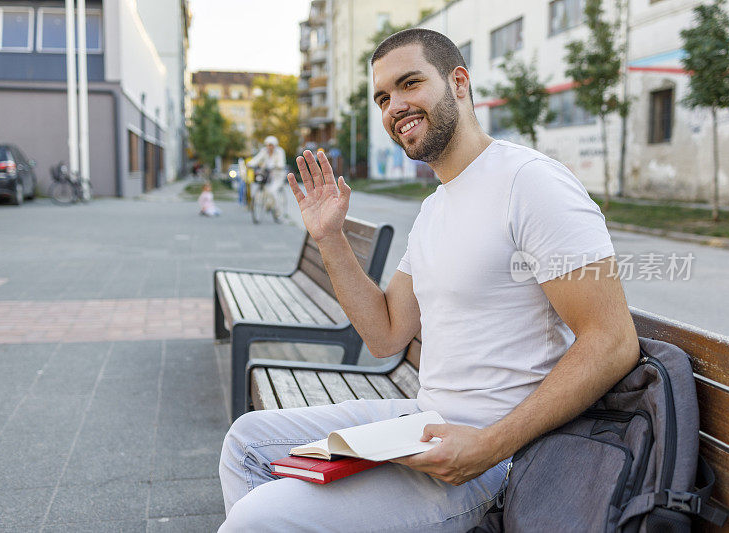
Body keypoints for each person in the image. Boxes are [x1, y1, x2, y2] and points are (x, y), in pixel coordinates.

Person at [218, 29, 639, 531]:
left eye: (410, 83)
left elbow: (612, 341)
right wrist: (330, 238)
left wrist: (490, 446)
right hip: (426, 421)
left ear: (458, 82)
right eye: (383, 97)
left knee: (259, 518)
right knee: (245, 442)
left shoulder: (530, 183)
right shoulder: (435, 207)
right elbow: (385, 335)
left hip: (501, 457)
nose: (395, 106)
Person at [247, 135, 287, 203]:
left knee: (273, 191)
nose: (269, 147)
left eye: (271, 145)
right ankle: (266, 204)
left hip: (277, 175)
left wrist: (277, 166)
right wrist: (249, 164)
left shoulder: (280, 151)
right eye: (268, 145)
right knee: (262, 187)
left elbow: (281, 163)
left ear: (275, 145)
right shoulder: (264, 151)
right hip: (267, 174)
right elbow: (257, 159)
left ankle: (277, 211)